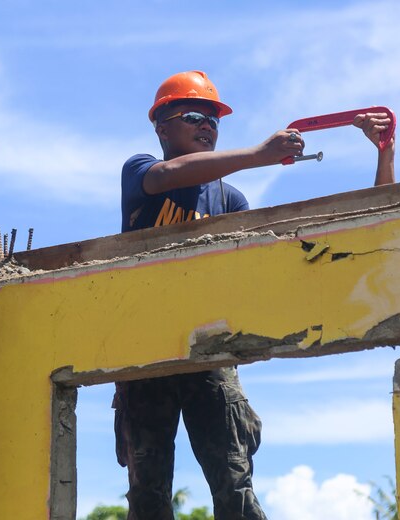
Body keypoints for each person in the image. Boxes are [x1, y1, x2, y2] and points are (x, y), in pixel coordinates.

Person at [115, 70, 313, 520]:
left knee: (233, 480)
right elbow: (169, 174)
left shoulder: (230, 200)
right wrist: (262, 155)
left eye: (213, 120)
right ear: (161, 127)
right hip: (145, 348)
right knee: (147, 490)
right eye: (193, 115)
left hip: (210, 347)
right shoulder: (141, 171)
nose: (207, 125)